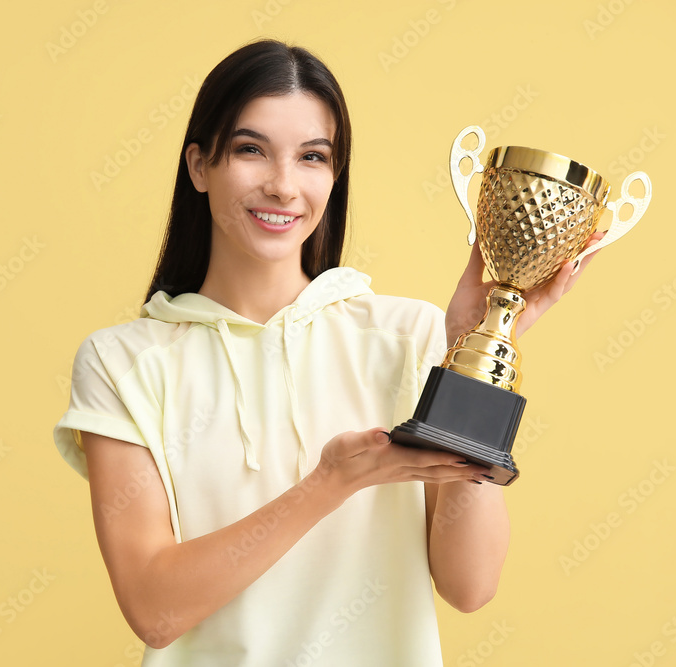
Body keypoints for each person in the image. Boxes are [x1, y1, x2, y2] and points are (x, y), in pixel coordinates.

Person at [53, 39, 602, 666]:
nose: (283, 186)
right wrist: (331, 483)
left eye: (312, 158)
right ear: (200, 166)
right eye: (250, 150)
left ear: (333, 177)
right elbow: (155, 609)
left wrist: (470, 363)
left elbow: (469, 586)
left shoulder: (407, 337)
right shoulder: (121, 362)